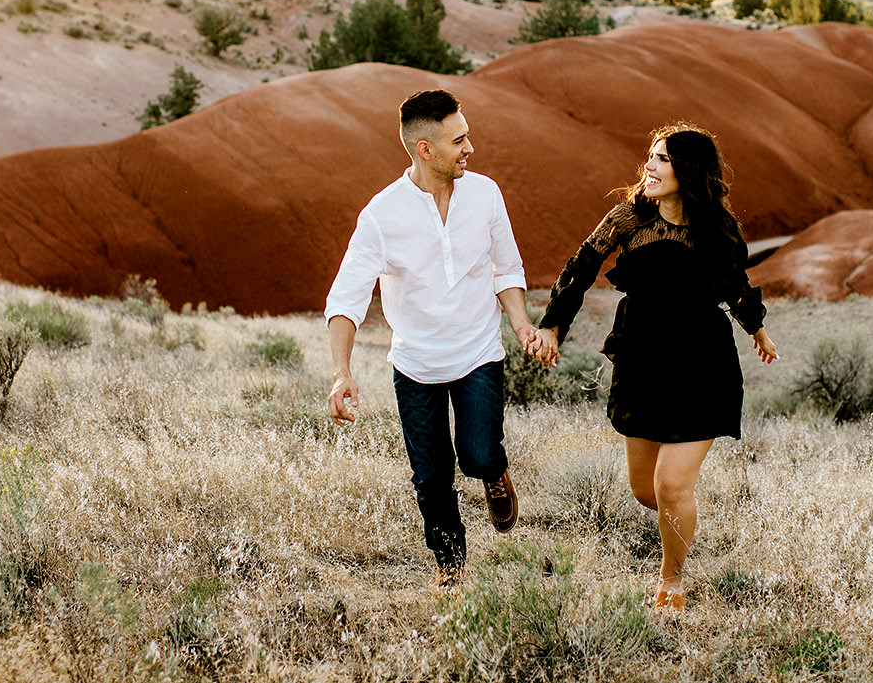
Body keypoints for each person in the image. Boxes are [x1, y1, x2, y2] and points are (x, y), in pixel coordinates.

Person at [528, 123, 778, 613]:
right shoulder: (627, 219)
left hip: (702, 363)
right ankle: (682, 515)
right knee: (647, 491)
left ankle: (672, 579)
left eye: (662, 159)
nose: (650, 166)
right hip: (642, 359)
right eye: (650, 156)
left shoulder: (716, 228)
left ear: (689, 169)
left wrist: (757, 328)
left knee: (670, 485)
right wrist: (554, 325)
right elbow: (579, 269)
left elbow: (735, 282)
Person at [325, 89, 542, 591]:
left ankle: (492, 472)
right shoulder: (382, 214)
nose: (471, 148)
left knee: (478, 454)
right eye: (459, 140)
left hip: (479, 352)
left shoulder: (485, 194)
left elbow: (505, 267)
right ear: (426, 149)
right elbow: (348, 296)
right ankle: (450, 565)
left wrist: (522, 324)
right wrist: (342, 371)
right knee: (431, 476)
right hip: (415, 364)